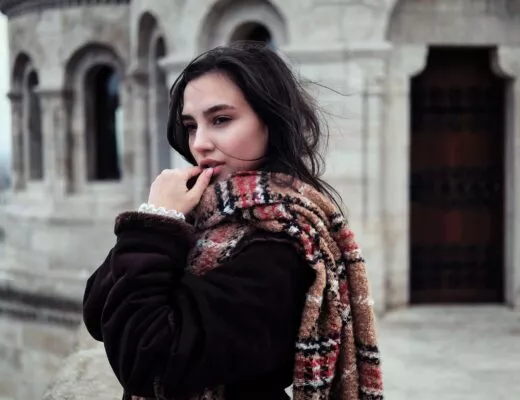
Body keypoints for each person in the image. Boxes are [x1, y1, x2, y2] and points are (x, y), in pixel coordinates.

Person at [82, 42, 383, 400]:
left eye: (221, 120)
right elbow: (98, 311)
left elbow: (148, 362)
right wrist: (159, 219)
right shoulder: (201, 214)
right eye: (191, 126)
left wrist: (155, 228)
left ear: (270, 122)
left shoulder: (282, 242)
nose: (200, 143)